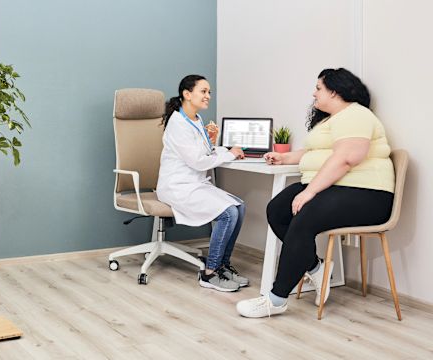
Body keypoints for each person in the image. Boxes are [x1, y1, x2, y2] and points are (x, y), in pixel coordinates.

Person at [236, 68, 395, 318]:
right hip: (334, 186)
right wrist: (285, 157)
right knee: (277, 210)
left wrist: (309, 192)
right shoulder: (330, 120)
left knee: (304, 219)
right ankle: (317, 268)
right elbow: (314, 152)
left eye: (318, 88)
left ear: (335, 90)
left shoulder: (356, 115)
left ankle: (276, 300)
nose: (314, 93)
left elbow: (346, 158)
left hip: (366, 192)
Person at [156, 74, 249, 292]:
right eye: (203, 91)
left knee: (240, 207)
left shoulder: (196, 120)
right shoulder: (178, 124)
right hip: (177, 187)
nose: (208, 96)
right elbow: (198, 162)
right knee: (228, 213)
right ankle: (209, 273)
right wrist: (231, 155)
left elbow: (203, 153)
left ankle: (223, 266)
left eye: (209, 92)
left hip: (194, 184)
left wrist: (219, 146)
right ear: (187, 95)